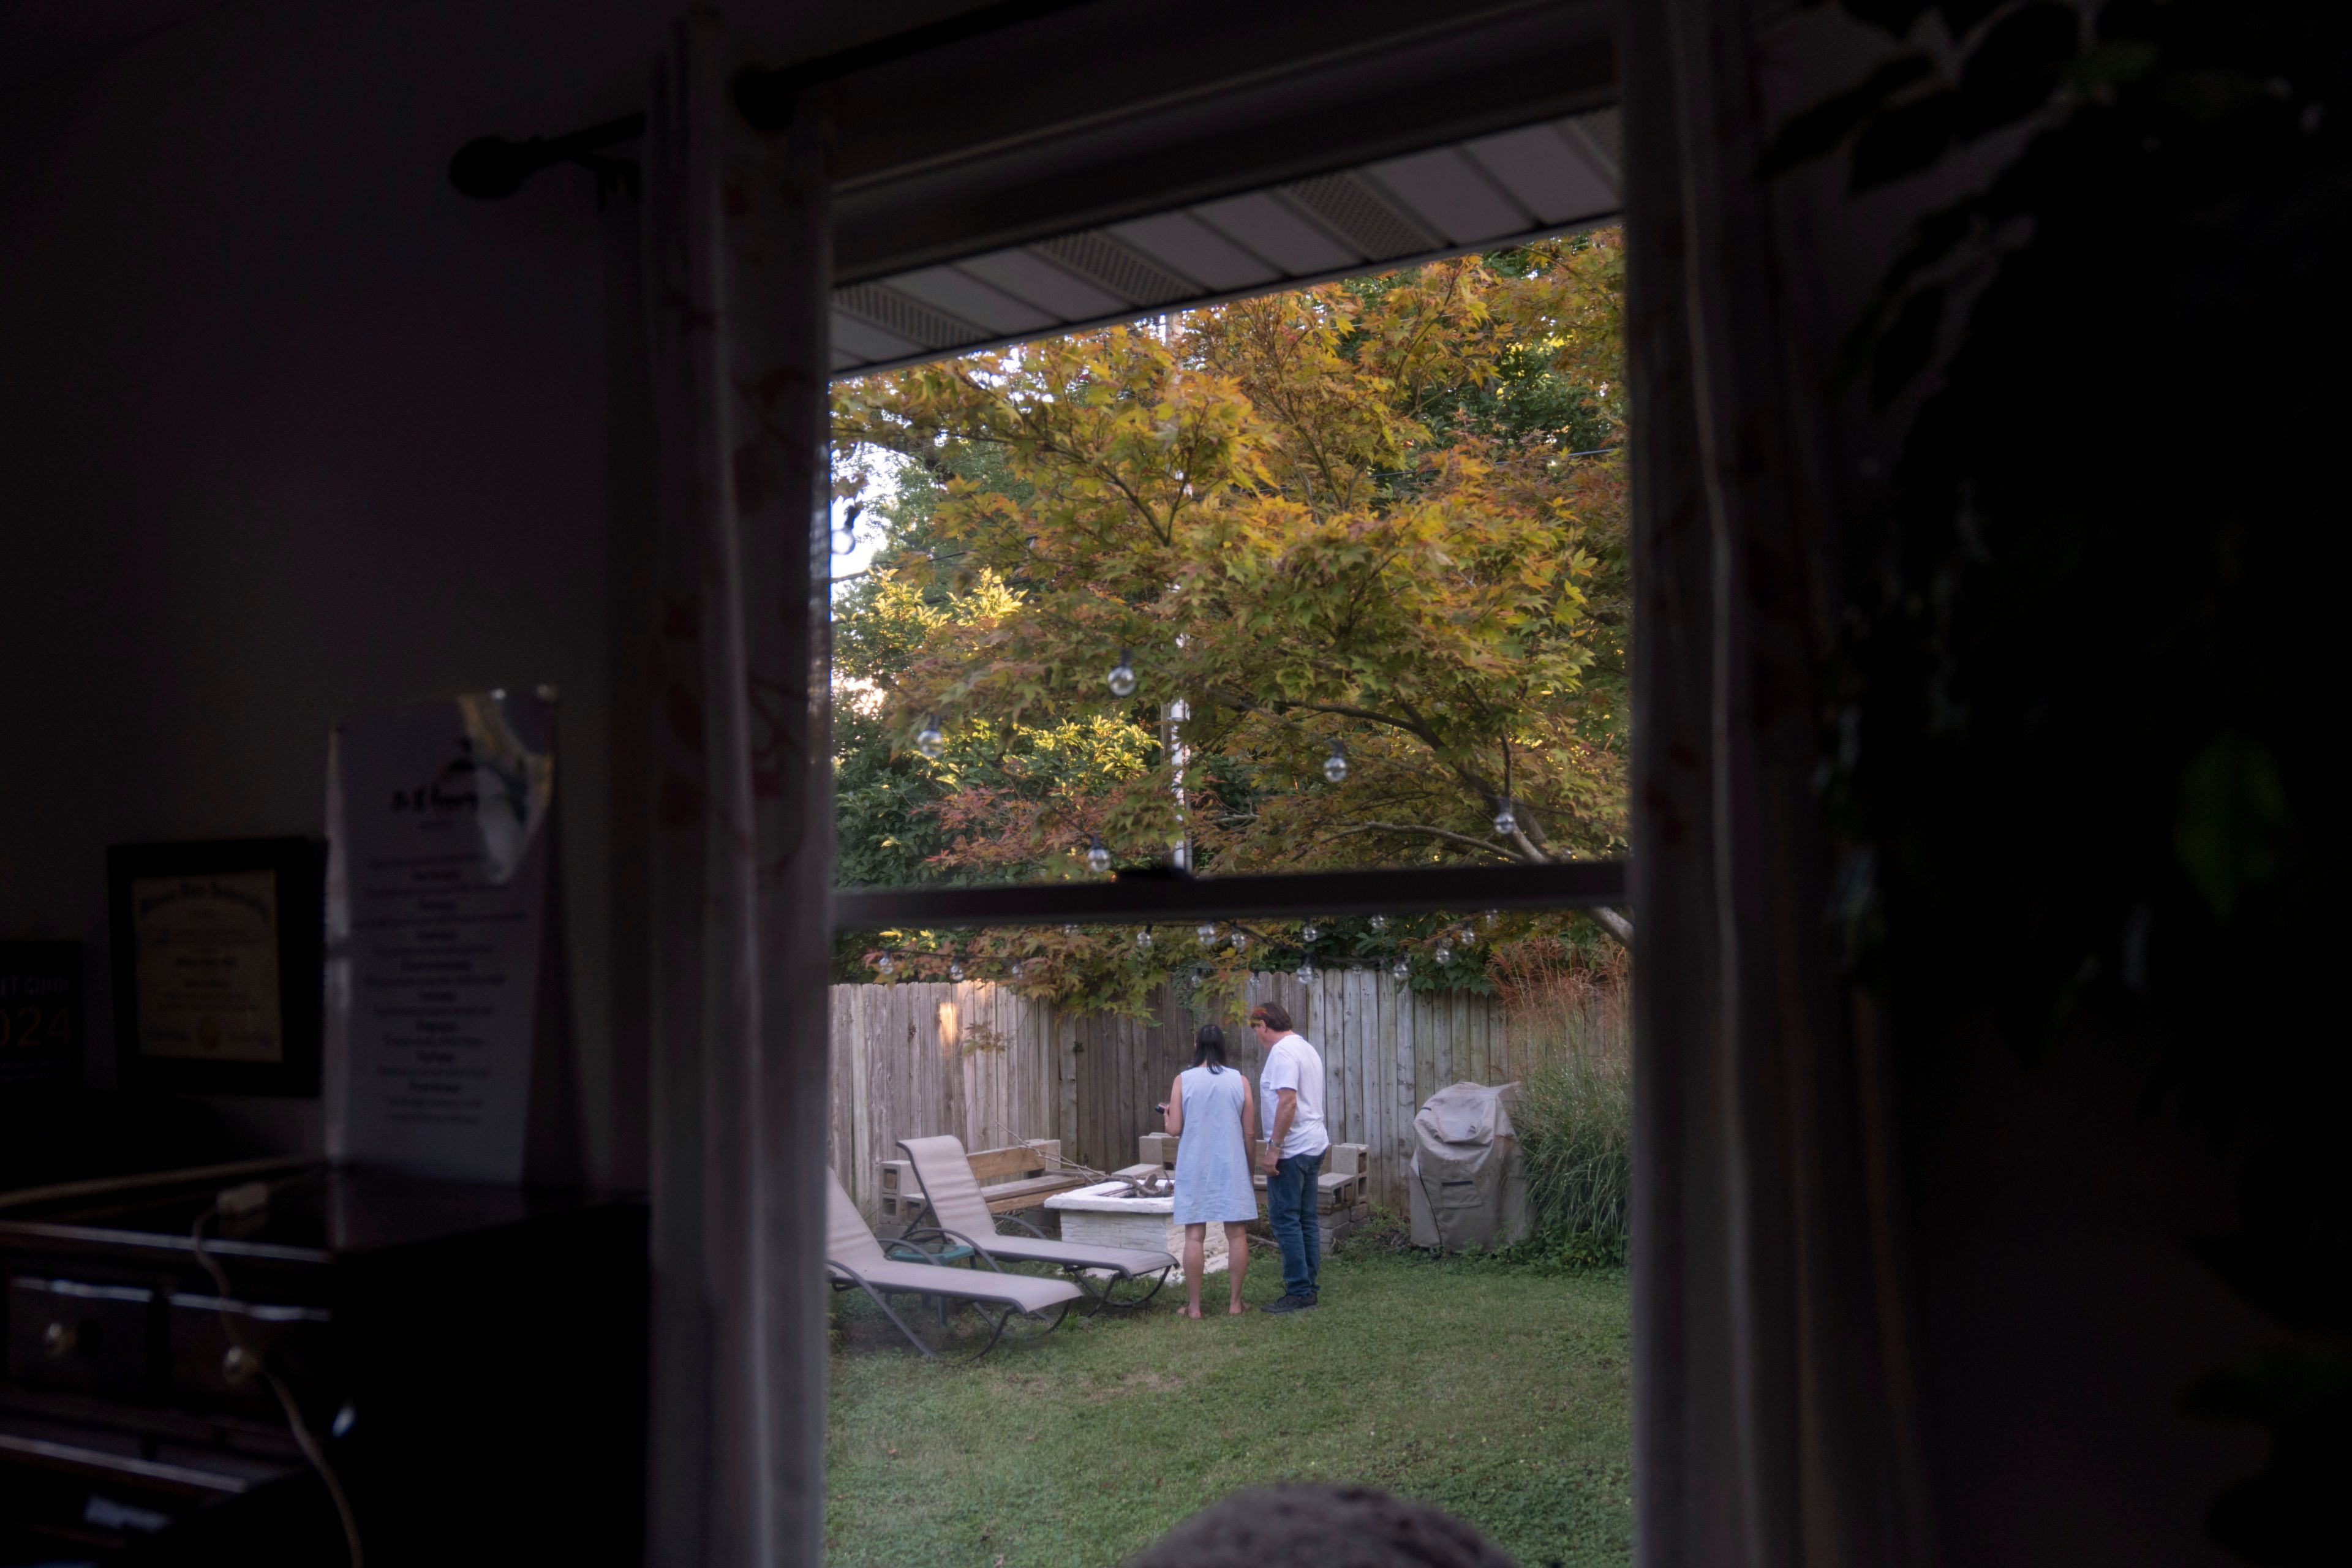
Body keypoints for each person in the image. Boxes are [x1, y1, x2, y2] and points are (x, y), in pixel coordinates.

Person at [1161, 1025, 1256, 1317]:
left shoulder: (1183, 1080)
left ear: (1196, 1045)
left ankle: (1194, 1307)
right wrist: (1249, 1171)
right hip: (1232, 1165)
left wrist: (1167, 1117)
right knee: (1237, 1234)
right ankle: (1235, 1304)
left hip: (1195, 1165)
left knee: (1194, 1235)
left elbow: (1175, 1129)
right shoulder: (1240, 1081)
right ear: (1223, 1046)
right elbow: (1250, 1133)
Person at [1250, 1001, 1329, 1313]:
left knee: (1285, 1220)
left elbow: (1288, 1103)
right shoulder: (1305, 1047)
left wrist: (1274, 1148)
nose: (1256, 1035)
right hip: (1314, 1144)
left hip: (1293, 1149)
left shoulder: (1282, 1054)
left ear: (1265, 1026)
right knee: (1306, 1218)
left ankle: (1299, 1290)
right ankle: (1308, 1286)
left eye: (1255, 1028)